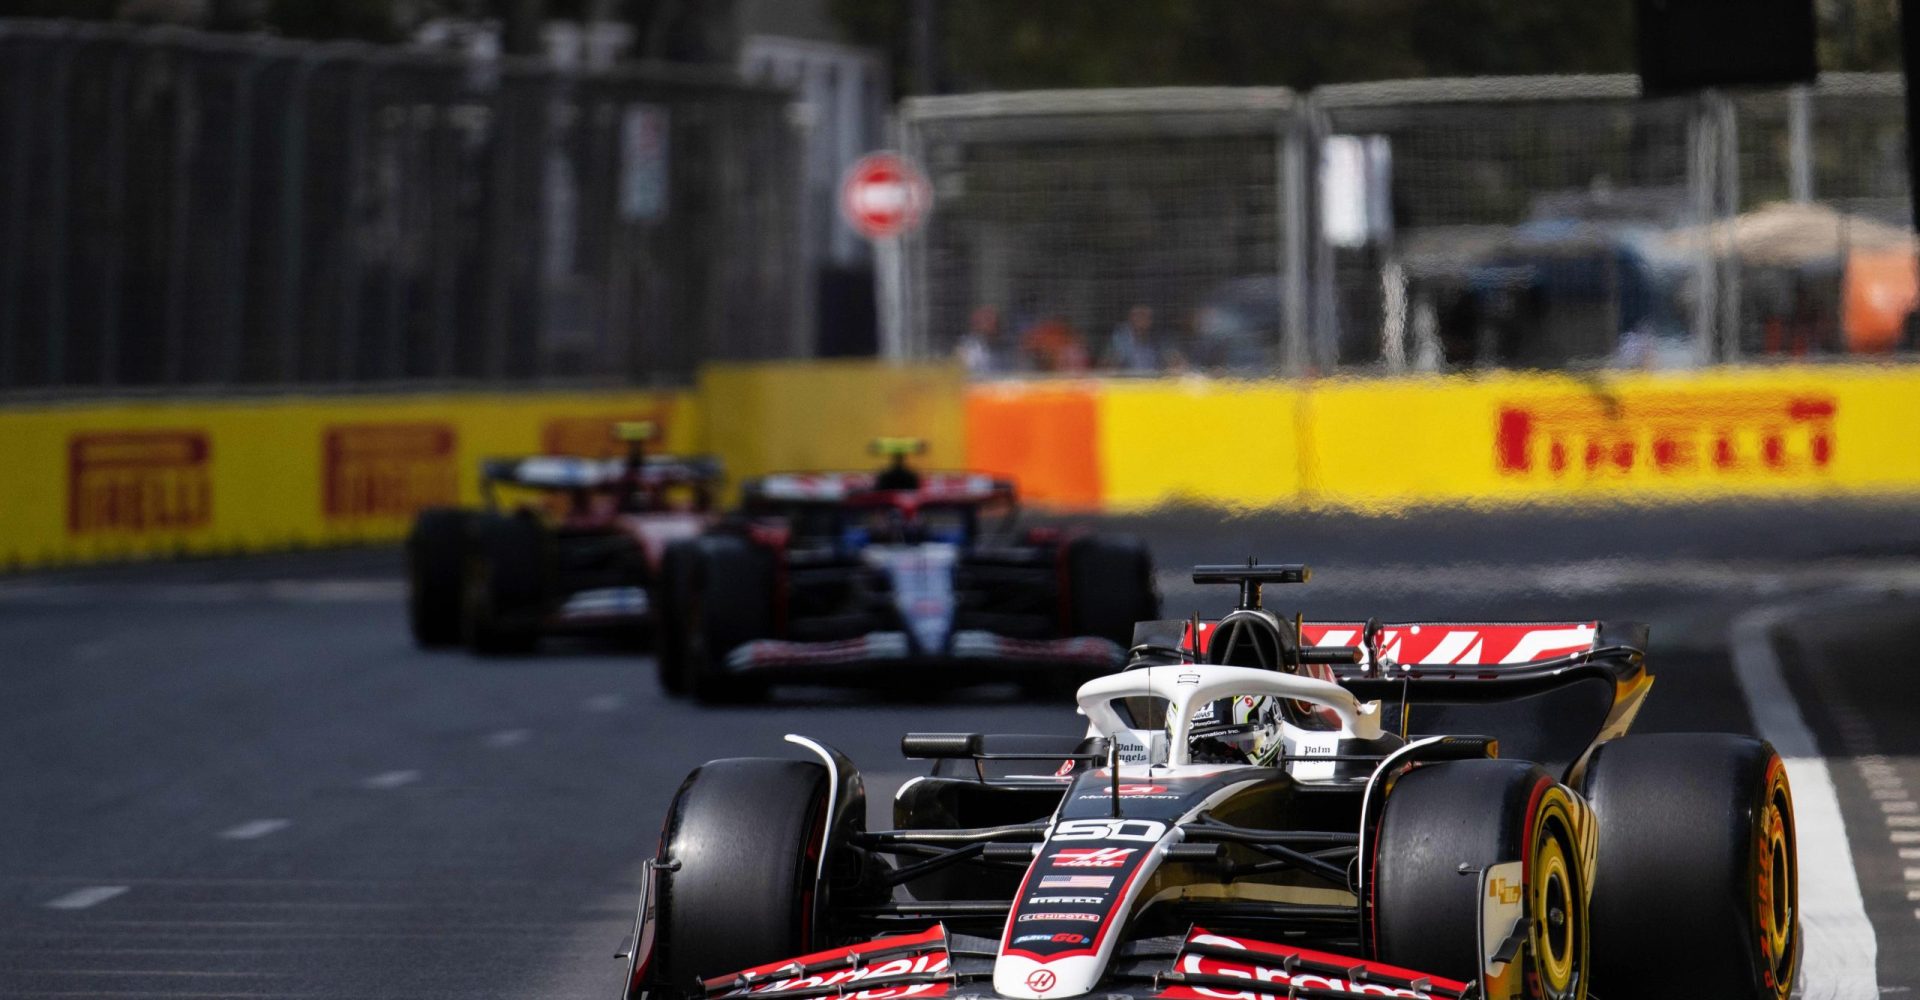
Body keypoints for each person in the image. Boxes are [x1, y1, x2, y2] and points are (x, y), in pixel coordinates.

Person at [953, 305, 1014, 376]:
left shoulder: (1008, 346)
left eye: (993, 321)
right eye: (985, 320)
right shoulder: (967, 347)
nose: (989, 325)